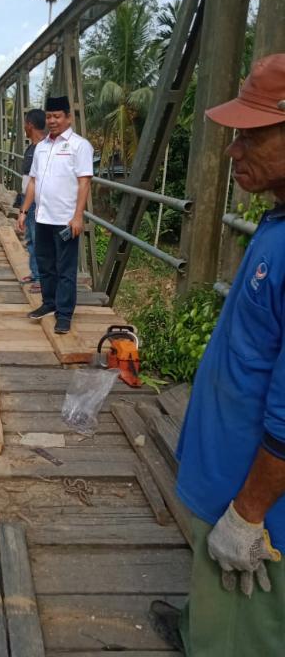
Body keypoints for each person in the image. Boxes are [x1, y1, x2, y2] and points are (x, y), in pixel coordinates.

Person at [149, 53, 285, 656]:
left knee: (245, 626)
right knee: (217, 604)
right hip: (228, 474)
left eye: (251, 136)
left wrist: (250, 514)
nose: (234, 151)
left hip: (257, 505)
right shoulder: (278, 221)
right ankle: (194, 626)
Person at [18, 95, 93, 334]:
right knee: (46, 265)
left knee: (66, 269)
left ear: (68, 117)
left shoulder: (79, 146)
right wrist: (24, 211)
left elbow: (84, 183)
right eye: (49, 116)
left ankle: (64, 314)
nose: (52, 121)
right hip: (42, 218)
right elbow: (33, 182)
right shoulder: (41, 147)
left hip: (65, 219)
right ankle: (49, 303)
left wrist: (78, 216)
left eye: (57, 116)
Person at [19, 108, 46, 293]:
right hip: (27, 199)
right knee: (30, 238)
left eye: (25, 124)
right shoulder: (31, 147)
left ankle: (41, 278)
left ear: (30, 125)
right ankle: (35, 272)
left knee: (38, 239)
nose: (24, 127)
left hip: (38, 201)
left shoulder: (44, 148)